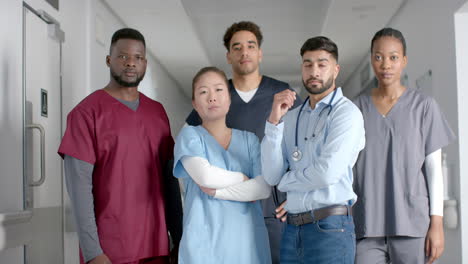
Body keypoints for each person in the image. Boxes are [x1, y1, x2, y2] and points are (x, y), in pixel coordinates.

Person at [58, 28, 182, 264]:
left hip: (156, 246)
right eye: (123, 56)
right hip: (110, 250)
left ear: (145, 63)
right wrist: (93, 252)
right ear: (108, 60)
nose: (131, 63)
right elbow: (79, 188)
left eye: (138, 57)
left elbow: (170, 181)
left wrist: (180, 238)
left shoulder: (157, 113)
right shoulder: (87, 113)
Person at [185, 21, 301, 263]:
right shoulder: (216, 96)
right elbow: (189, 144)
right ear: (228, 56)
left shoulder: (282, 94)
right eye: (237, 47)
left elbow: (304, 146)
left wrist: (299, 195)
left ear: (260, 53)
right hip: (228, 210)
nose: (244, 52)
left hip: (274, 210)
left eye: (251, 45)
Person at [352, 28, 455, 264]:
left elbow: (433, 170)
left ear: (404, 61)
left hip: (412, 224)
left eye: (393, 57)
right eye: (378, 57)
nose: (386, 64)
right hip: (366, 225)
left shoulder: (424, 107)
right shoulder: (356, 109)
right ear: (371, 60)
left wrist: (436, 223)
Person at [261, 36, 365, 263]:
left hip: (330, 228)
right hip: (292, 230)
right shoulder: (291, 117)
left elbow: (327, 173)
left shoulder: (346, 114)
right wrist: (273, 123)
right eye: (308, 64)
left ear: (335, 70)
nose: (314, 71)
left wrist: (286, 182)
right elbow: (271, 175)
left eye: (322, 64)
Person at [174, 66, 272, 263]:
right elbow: (205, 177)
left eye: (218, 90)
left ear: (229, 98)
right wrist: (242, 178)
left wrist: (218, 192)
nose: (212, 97)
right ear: (194, 103)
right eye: (203, 92)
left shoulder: (250, 140)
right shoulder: (190, 136)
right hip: (204, 245)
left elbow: (262, 188)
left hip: (247, 243)